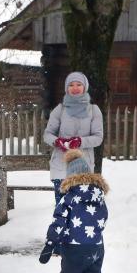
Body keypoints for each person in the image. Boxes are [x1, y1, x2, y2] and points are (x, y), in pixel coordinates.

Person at [38, 149, 109, 273]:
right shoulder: (99, 196)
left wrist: (50, 243)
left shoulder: (68, 197)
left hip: (74, 248)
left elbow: (58, 222)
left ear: (70, 176)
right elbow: (103, 218)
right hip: (96, 247)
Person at [42, 72, 104, 207]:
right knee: (62, 211)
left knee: (81, 213)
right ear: (66, 88)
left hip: (84, 168)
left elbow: (98, 138)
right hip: (61, 167)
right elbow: (47, 134)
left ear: (85, 87)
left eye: (78, 84)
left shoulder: (94, 110)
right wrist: (57, 141)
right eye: (71, 85)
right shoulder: (60, 110)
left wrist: (81, 141)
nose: (75, 88)